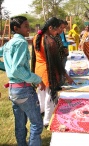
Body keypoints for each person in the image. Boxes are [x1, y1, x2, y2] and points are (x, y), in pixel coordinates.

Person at [0, 16, 45, 146]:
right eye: (25, 26)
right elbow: (17, 70)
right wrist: (37, 79)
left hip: (13, 90)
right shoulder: (21, 43)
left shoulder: (9, 44)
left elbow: (12, 69)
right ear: (16, 28)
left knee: (20, 124)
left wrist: (6, 68)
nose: (29, 28)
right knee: (36, 124)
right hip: (24, 90)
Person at [31, 17, 74, 127]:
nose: (58, 32)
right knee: (49, 96)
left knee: (41, 93)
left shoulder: (36, 36)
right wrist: (66, 76)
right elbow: (57, 63)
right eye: (56, 29)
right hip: (48, 72)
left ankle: (41, 111)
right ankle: (47, 120)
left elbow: (34, 57)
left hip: (38, 70)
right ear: (50, 28)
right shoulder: (50, 41)